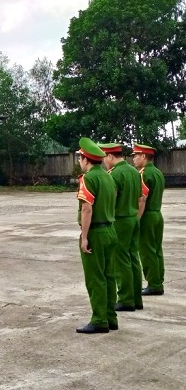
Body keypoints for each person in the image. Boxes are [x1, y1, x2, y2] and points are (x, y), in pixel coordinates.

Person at [75, 138, 118, 334]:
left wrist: (85, 237)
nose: (79, 162)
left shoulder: (89, 178)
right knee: (109, 276)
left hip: (96, 232)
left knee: (95, 278)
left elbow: (86, 208)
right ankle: (110, 317)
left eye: (80, 158)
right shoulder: (108, 176)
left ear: (86, 160)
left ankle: (99, 319)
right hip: (111, 230)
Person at [99, 143, 143, 311]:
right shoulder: (134, 172)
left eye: (104, 158)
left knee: (120, 260)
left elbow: (112, 199)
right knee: (133, 258)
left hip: (119, 220)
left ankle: (125, 298)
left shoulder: (114, 175)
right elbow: (140, 197)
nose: (104, 162)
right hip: (132, 218)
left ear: (110, 156)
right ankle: (136, 298)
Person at [132, 144, 166, 296]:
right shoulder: (158, 172)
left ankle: (153, 284)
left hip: (147, 216)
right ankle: (158, 280)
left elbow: (142, 200)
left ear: (144, 156)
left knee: (147, 251)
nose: (133, 159)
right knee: (157, 249)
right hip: (157, 214)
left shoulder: (143, 174)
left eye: (136, 156)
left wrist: (136, 220)